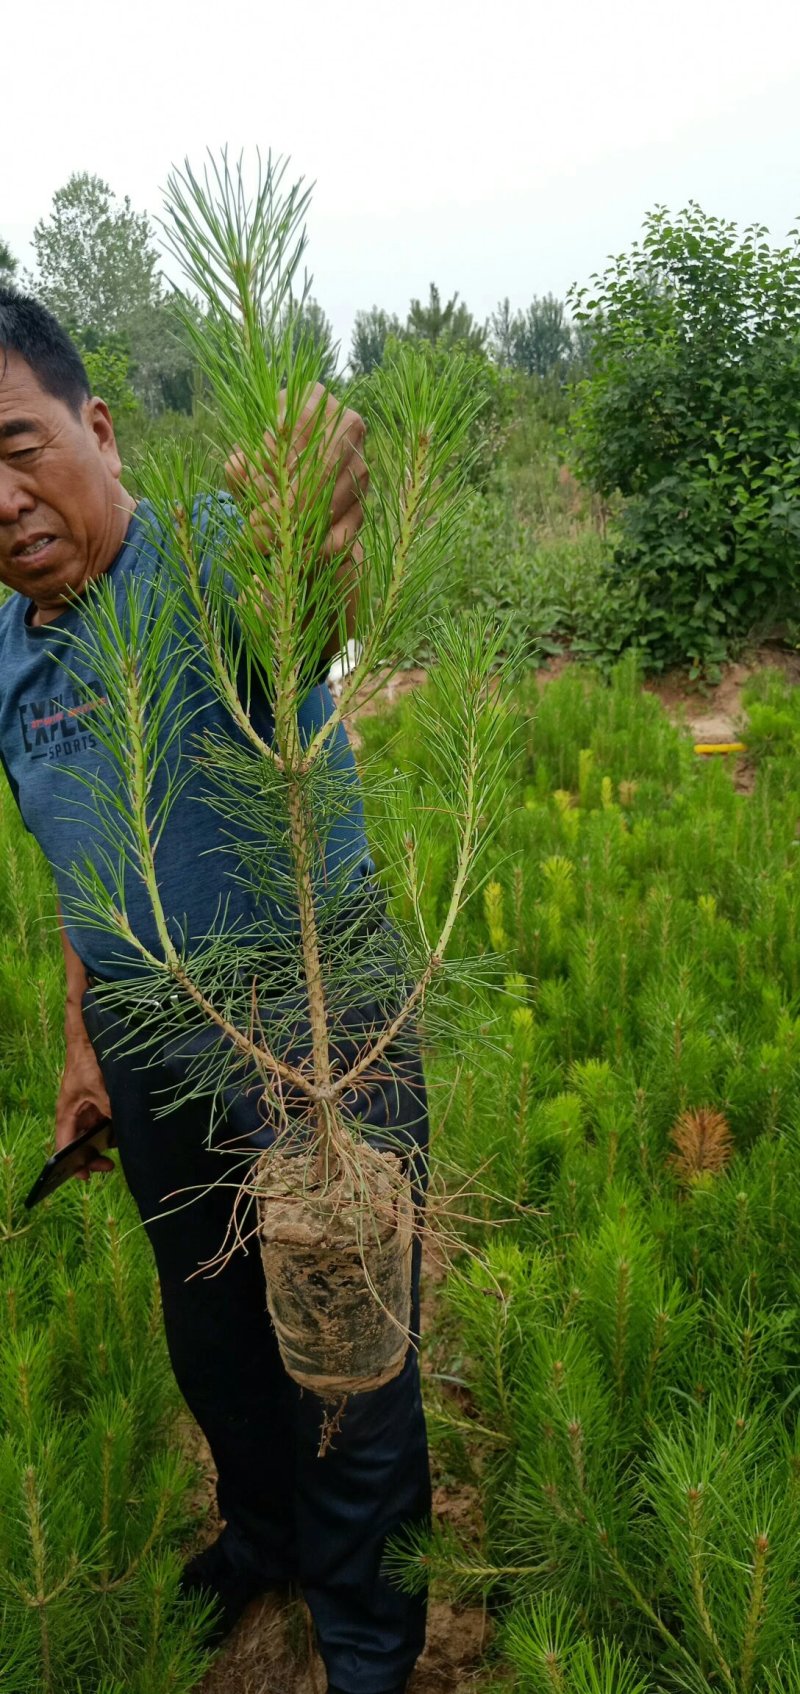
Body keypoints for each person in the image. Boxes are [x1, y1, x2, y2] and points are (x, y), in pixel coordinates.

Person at [0, 289, 431, 1694]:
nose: (2, 503)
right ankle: (262, 1538)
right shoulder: (10, 655)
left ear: (99, 427)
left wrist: (317, 545)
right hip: (144, 1027)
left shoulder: (209, 562)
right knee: (213, 1323)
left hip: (316, 1005)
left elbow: (297, 624)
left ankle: (366, 1634)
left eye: (17, 447)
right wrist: (81, 1039)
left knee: (347, 1340)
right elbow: (76, 854)